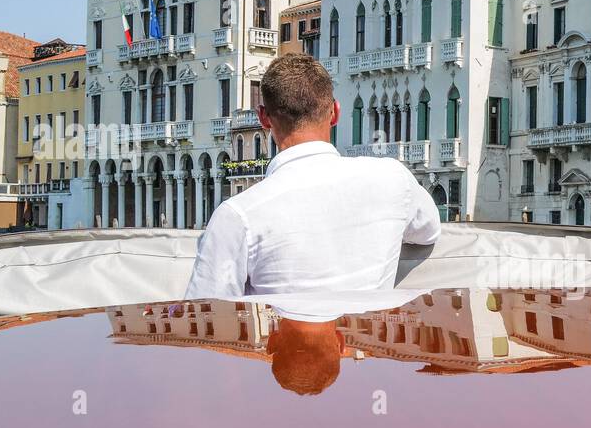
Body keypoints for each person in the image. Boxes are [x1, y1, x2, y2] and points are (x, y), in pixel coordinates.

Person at [184, 53, 442, 299]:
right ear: (335, 113)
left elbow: (206, 314)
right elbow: (428, 232)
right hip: (363, 342)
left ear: (264, 118)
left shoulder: (236, 216)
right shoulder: (393, 178)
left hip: (283, 344)